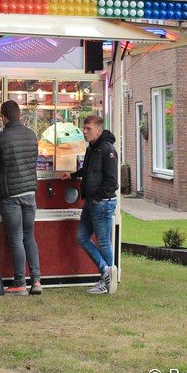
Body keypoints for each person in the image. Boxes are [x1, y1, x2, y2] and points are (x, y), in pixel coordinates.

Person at [0, 100, 41, 296]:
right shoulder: (31, 135)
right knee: (29, 236)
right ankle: (36, 281)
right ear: (19, 115)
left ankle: (20, 283)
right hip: (29, 193)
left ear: (3, 117)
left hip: (10, 195)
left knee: (16, 238)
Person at [62, 115, 119, 294]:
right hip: (92, 201)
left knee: (103, 241)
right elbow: (88, 171)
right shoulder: (92, 148)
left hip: (101, 202)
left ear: (98, 131)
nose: (84, 131)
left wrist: (97, 197)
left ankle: (107, 281)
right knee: (82, 237)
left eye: (88, 129)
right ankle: (106, 272)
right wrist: (73, 175)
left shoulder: (107, 150)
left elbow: (112, 182)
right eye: (84, 128)